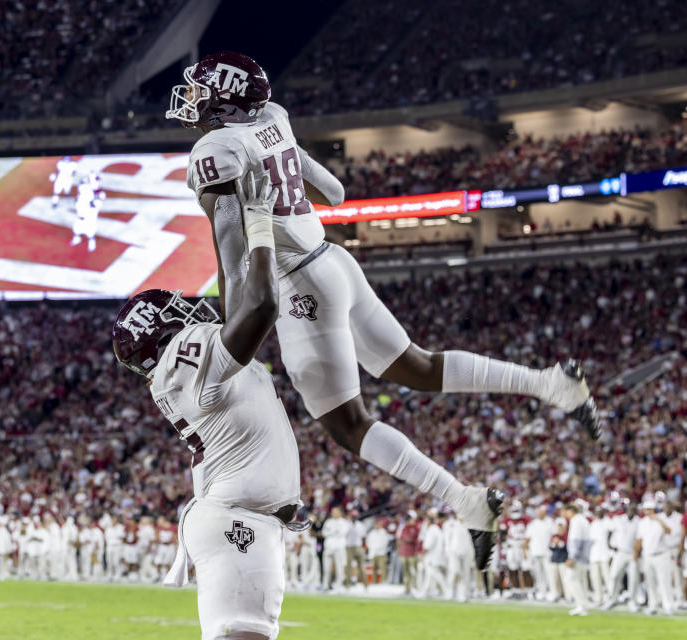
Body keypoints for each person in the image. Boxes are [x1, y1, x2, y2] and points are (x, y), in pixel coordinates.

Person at [167, 51, 602, 571]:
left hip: (298, 283)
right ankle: (551, 384)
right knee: (416, 367)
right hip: (333, 260)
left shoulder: (214, 150)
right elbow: (333, 189)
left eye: (201, 89)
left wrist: (229, 337)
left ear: (225, 99)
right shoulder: (272, 115)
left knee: (347, 424)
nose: (192, 98)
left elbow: (233, 261)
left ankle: (466, 501)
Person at [111, 171, 305, 639]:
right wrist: (257, 222)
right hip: (236, 521)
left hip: (237, 518)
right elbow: (258, 307)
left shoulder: (179, 372)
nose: (189, 311)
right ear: (163, 334)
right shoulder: (184, 358)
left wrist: (224, 214)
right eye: (173, 313)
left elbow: (236, 285)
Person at [635, 498, 675, 615]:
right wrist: (637, 553)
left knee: (664, 582)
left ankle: (668, 606)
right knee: (650, 582)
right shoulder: (642, 523)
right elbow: (640, 539)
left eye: (650, 509)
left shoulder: (662, 519)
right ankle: (653, 605)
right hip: (647, 555)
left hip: (661, 555)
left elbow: (668, 531)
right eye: (646, 510)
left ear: (654, 510)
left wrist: (658, 519)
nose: (648, 512)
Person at [602, 499, 640, 612]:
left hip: (633, 553)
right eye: (629, 509)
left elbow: (639, 539)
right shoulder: (618, 519)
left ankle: (632, 601)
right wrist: (609, 545)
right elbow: (610, 532)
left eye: (633, 509)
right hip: (620, 552)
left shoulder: (639, 521)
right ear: (626, 510)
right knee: (614, 576)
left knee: (633, 578)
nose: (631, 511)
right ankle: (612, 599)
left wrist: (637, 553)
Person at [563, 502, 592, 616]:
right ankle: (583, 604)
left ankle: (582, 605)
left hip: (578, 557)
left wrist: (572, 557)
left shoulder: (576, 521)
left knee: (571, 580)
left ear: (571, 511)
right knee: (579, 581)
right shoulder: (583, 520)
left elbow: (576, 541)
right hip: (584, 556)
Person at [443, 510, 475, 602]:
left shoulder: (471, 525)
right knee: (455, 572)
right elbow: (447, 540)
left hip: (467, 552)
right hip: (454, 552)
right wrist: (448, 552)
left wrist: (473, 554)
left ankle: (463, 594)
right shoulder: (451, 525)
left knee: (466, 574)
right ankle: (450, 592)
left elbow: (473, 541)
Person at [524, 505, 553, 600]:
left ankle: (551, 591)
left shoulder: (550, 522)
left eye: (541, 512)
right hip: (535, 552)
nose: (539, 514)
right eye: (538, 513)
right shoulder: (532, 524)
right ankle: (542, 591)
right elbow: (527, 539)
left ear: (545, 513)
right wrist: (525, 552)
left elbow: (555, 536)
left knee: (549, 573)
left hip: (547, 553)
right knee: (538, 574)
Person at [320, 507, 351, 591]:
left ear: (340, 513)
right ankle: (325, 585)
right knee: (326, 568)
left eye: (335, 512)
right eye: (332, 512)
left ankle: (339, 585)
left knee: (339, 568)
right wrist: (333, 532)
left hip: (339, 547)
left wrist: (331, 532)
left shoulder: (344, 522)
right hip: (329, 547)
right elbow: (324, 533)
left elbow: (342, 533)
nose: (333, 513)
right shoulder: (328, 522)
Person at [588, 505, 611, 604]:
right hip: (594, 554)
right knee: (595, 578)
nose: (598, 513)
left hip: (605, 554)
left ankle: (611, 597)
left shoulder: (608, 522)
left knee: (608, 577)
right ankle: (598, 598)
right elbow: (590, 540)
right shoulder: (594, 523)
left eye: (599, 511)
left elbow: (611, 534)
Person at [397, 511, 422, 596]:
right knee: (406, 572)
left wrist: (409, 541)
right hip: (404, 553)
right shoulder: (403, 528)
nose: (412, 521)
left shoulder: (416, 528)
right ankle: (407, 589)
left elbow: (417, 540)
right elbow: (400, 539)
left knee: (414, 572)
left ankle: (416, 588)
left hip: (412, 553)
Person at [366, 519, 392, 587]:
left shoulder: (384, 533)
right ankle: (374, 581)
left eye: (378, 524)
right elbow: (368, 542)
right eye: (376, 524)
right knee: (373, 567)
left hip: (381, 552)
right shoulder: (371, 533)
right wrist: (372, 548)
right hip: (373, 552)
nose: (377, 526)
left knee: (382, 567)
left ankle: (384, 581)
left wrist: (377, 547)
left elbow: (385, 542)